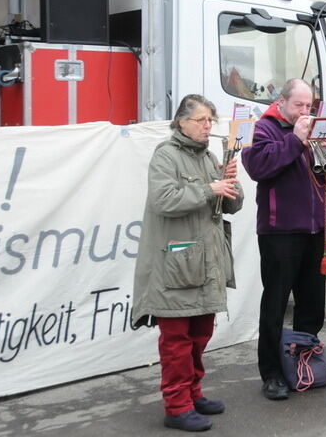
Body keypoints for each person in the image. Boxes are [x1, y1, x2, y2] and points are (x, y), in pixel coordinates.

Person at [131, 94, 243, 432]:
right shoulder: (166, 155)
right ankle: (176, 406)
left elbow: (230, 207)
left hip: (206, 263)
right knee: (177, 340)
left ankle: (193, 394)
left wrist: (232, 184)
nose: (208, 126)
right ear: (182, 122)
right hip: (176, 266)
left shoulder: (210, 156)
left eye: (211, 120)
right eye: (201, 120)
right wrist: (211, 188)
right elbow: (163, 200)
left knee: (200, 335)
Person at [242, 79, 326, 400]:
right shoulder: (264, 127)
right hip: (281, 232)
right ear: (282, 103)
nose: (305, 111)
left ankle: (307, 359)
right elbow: (257, 166)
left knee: (312, 303)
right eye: (298, 105)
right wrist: (296, 140)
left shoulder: (321, 128)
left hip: (316, 229)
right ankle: (272, 372)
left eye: (309, 106)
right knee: (275, 304)